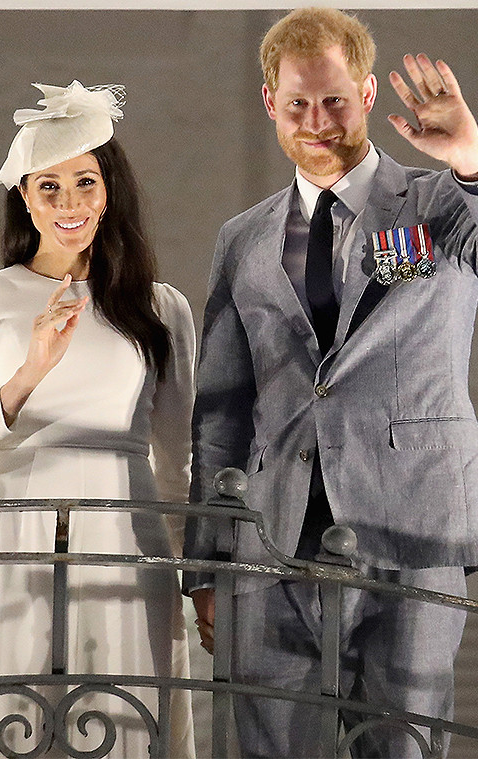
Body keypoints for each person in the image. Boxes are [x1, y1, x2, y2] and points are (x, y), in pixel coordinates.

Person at [183, 8, 478, 758]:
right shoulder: (242, 238)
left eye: (336, 100)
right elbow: (220, 406)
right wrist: (208, 559)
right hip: (270, 542)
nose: (317, 121)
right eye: (297, 104)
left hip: (407, 529)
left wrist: (473, 161)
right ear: (269, 104)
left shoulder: (437, 204)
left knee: (403, 747)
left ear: (370, 93)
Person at [0, 80, 197, 758]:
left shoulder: (161, 307)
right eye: (49, 187)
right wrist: (30, 369)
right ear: (25, 197)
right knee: (5, 718)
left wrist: (196, 578)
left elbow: (177, 457)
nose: (70, 204)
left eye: (85, 183)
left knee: (126, 722)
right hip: (10, 530)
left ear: (109, 191)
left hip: (128, 533)